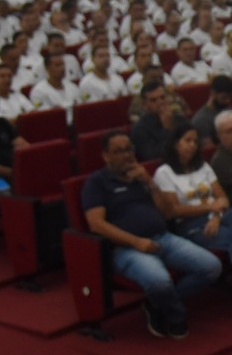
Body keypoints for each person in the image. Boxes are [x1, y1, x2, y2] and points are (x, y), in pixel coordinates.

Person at [82, 132, 222, 340]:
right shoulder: (96, 182)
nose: (126, 156)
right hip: (126, 249)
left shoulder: (141, 177)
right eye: (118, 151)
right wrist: (137, 242)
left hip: (163, 238)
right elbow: (97, 225)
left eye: (129, 150)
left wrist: (150, 183)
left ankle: (155, 304)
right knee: (159, 281)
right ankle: (175, 316)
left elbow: (167, 213)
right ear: (105, 156)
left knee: (212, 267)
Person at [153, 125, 232, 315]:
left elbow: (222, 198)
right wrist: (211, 208)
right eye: (187, 141)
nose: (192, 145)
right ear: (175, 144)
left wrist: (216, 215)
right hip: (189, 225)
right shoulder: (164, 172)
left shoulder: (203, 167)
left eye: (194, 141)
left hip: (217, 217)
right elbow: (174, 210)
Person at [130, 80, 181, 162]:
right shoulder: (139, 129)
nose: (160, 102)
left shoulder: (179, 119)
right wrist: (167, 129)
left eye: (163, 97)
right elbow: (154, 157)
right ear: (144, 105)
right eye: (153, 100)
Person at [191, 75, 232, 143]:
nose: (228, 101)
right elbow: (209, 148)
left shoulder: (229, 111)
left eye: (230, 97)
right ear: (213, 93)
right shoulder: (201, 120)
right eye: (224, 97)